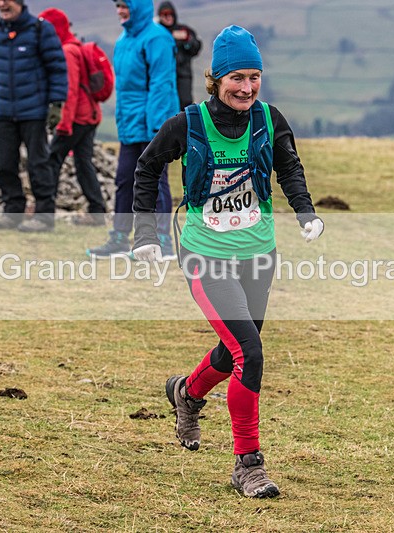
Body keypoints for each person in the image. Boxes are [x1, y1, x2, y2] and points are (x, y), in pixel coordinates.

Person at [131, 26, 324, 498]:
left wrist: (305, 210)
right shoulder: (188, 124)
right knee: (250, 354)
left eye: (255, 76)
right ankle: (248, 464)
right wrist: (145, 235)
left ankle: (187, 393)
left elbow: (289, 166)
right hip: (205, 255)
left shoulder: (269, 119)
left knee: (236, 348)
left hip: (259, 253)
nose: (247, 87)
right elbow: (147, 167)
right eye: (237, 76)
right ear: (215, 79)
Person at [87, 0, 179, 259]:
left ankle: (162, 240)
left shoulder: (157, 38)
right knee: (125, 180)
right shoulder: (122, 41)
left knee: (156, 182)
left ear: (137, 6)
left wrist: (158, 127)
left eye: (124, 5)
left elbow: (162, 84)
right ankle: (119, 236)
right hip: (130, 125)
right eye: (117, 6)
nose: (119, 11)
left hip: (153, 126)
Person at [0, 0, 68, 232]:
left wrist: (56, 104)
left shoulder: (40, 29)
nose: (2, 4)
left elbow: (57, 67)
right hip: (5, 112)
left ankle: (44, 216)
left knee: (38, 164)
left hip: (34, 113)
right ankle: (12, 212)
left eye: (8, 1)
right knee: (5, 163)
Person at [40, 7, 113, 227]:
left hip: (77, 118)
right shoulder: (75, 46)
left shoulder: (67, 51)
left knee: (52, 160)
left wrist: (64, 123)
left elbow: (69, 90)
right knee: (83, 163)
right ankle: (97, 210)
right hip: (89, 115)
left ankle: (45, 212)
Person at [157, 1, 201, 111]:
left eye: (170, 14)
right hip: (162, 76)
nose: (168, 17)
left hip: (183, 76)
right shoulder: (157, 34)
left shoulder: (183, 30)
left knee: (184, 106)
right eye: (164, 15)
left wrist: (187, 41)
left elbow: (196, 48)